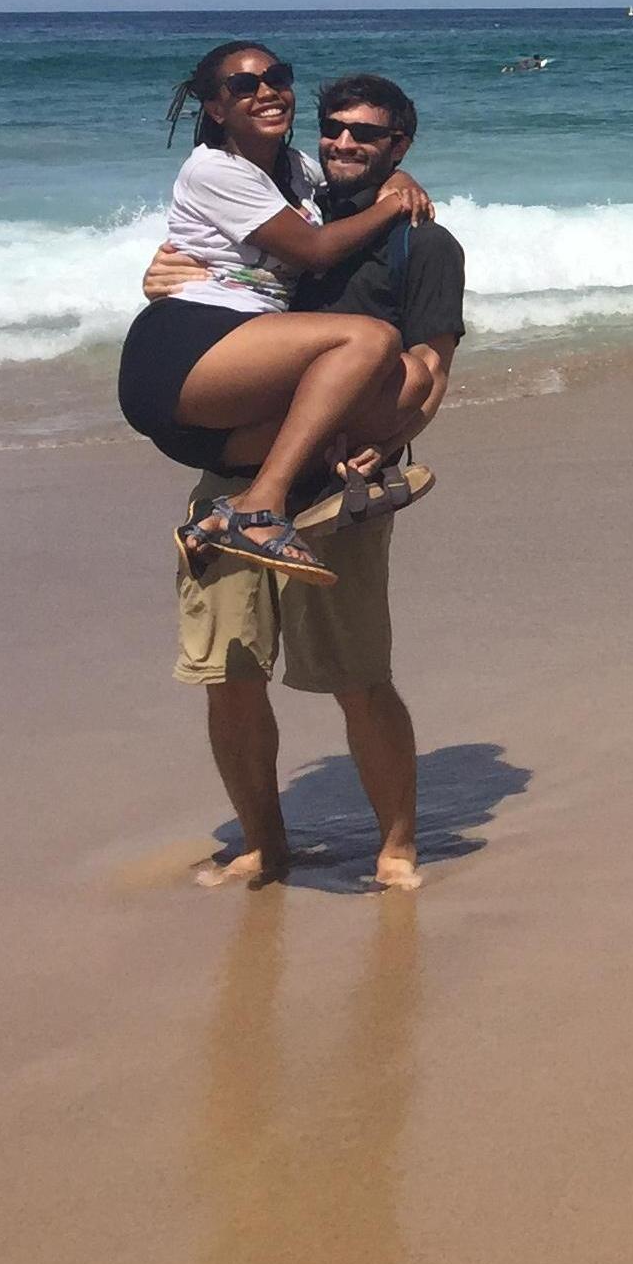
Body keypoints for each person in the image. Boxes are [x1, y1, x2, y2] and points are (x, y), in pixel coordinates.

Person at [143, 72, 466, 891]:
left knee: (356, 677)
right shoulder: (283, 212)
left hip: (332, 491)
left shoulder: (422, 243)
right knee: (229, 674)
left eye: (366, 134)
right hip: (233, 474)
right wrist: (158, 278)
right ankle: (263, 844)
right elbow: (217, 293)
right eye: (334, 130)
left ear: (400, 146)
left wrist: (393, 441)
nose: (344, 143)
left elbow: (432, 365)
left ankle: (396, 844)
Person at [118, 43, 435, 590]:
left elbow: (357, 176)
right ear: (216, 109)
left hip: (236, 361)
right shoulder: (214, 170)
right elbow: (312, 251)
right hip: (185, 348)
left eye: (276, 77)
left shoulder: (295, 170)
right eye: (243, 86)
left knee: (401, 389)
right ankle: (261, 510)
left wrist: (399, 181)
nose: (266, 92)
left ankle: (219, 517)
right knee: (370, 341)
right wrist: (391, 206)